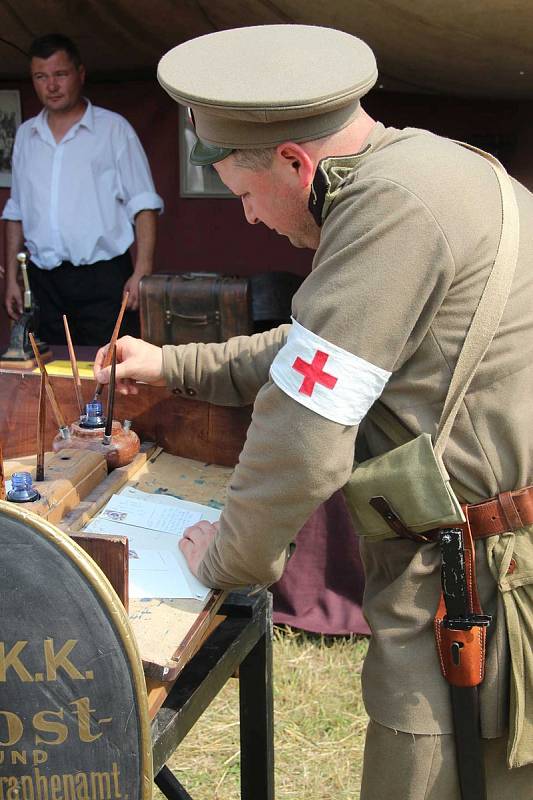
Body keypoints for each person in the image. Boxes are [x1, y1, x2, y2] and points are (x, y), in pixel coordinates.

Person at [94, 25, 533, 799]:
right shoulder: (427, 169)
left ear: (296, 162)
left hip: (472, 593)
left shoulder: (384, 215)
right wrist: (172, 364)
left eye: (244, 195)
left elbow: (301, 436)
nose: (251, 220)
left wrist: (224, 559)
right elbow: (318, 350)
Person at [1, 33, 163, 346]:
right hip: (42, 281)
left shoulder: (113, 130)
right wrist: (12, 277)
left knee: (110, 371)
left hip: (102, 280)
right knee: (47, 372)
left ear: (80, 74)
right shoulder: (26, 136)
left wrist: (142, 270)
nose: (51, 86)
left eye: (60, 74)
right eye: (41, 77)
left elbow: (143, 204)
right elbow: (16, 210)